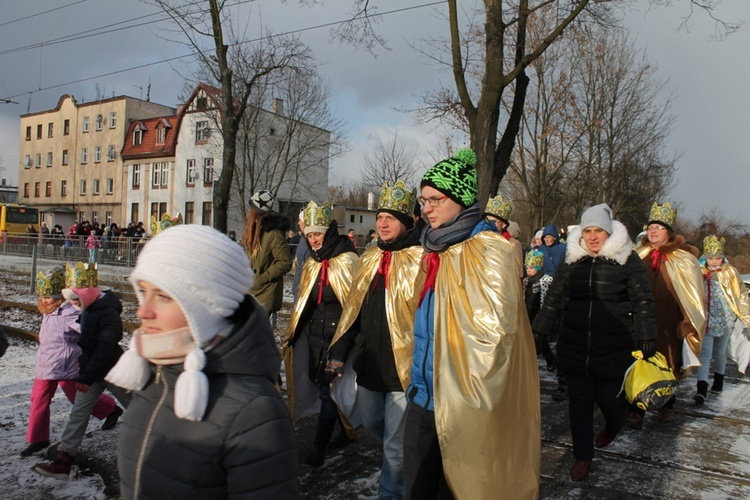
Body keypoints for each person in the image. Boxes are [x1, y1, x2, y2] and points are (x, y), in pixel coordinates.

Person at [102, 224, 298, 498]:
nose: (142, 310)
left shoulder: (253, 411)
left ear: (207, 306)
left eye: (163, 296)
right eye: (143, 291)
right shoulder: (157, 373)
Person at [404, 149, 539, 499]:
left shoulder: (491, 250)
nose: (427, 208)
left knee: (461, 491)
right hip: (422, 396)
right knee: (417, 490)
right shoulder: (433, 249)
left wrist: (469, 394)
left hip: (464, 403)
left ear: (462, 199)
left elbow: (499, 337)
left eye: (436, 199)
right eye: (424, 200)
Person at [532, 204, 658, 481]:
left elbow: (643, 301)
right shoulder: (572, 259)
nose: (592, 236)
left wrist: (648, 337)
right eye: (587, 231)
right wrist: (539, 332)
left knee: (611, 403)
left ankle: (613, 426)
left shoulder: (626, 259)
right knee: (579, 404)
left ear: (608, 232)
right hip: (576, 344)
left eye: (598, 230)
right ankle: (582, 456)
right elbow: (553, 298)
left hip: (614, 346)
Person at [328, 180, 423, 499]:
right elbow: (352, 310)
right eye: (380, 216)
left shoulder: (421, 259)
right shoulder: (368, 257)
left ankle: (392, 492)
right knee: (372, 425)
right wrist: (340, 352)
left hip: (402, 371)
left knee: (394, 449)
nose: (382, 223)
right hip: (370, 366)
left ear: (408, 222)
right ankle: (406, 463)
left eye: (391, 218)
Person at [33, 262, 128, 480]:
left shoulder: (107, 313)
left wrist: (85, 373)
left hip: (113, 372)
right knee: (78, 414)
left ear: (87, 294)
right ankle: (64, 460)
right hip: (94, 373)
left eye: (76, 299)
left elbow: (105, 347)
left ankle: (163, 444)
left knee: (138, 408)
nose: (73, 304)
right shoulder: (87, 309)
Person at [283, 201, 359, 467]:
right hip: (315, 337)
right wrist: (293, 336)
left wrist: (340, 350)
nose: (313, 240)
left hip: (338, 338)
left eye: (318, 234)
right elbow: (305, 302)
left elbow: (353, 309)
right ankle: (347, 429)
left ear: (329, 232)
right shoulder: (314, 263)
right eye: (309, 235)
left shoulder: (347, 261)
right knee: (324, 389)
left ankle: (319, 447)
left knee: (330, 392)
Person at [627, 202, 706, 428]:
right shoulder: (637, 255)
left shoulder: (684, 259)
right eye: (651, 227)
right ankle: (636, 408)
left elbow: (694, 297)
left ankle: (666, 405)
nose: (653, 231)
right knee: (639, 361)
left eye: (659, 228)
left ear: (669, 232)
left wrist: (688, 324)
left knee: (669, 363)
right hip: (641, 320)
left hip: (670, 321)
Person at [694, 235, 750, 404]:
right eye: (711, 258)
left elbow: (740, 295)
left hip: (725, 318)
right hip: (707, 318)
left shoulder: (730, 272)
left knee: (720, 352)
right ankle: (701, 388)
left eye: (718, 258)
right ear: (706, 258)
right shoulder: (699, 272)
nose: (715, 262)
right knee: (705, 353)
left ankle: (719, 379)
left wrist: (747, 319)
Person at [241, 190, 293, 326]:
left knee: (255, 341)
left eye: (251, 209)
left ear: (256, 212)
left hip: (265, 295)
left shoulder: (273, 233)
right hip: (251, 292)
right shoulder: (253, 231)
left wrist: (261, 279)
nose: (248, 211)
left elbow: (285, 262)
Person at [483, 195, 524, 278]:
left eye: (495, 222)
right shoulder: (480, 240)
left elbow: (519, 274)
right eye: (488, 221)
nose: (490, 225)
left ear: (504, 224)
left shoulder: (513, 244)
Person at [292, 209, 312, 300]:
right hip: (298, 290)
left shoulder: (311, 242)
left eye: (300, 220)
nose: (298, 223)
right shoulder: (303, 240)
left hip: (306, 292)